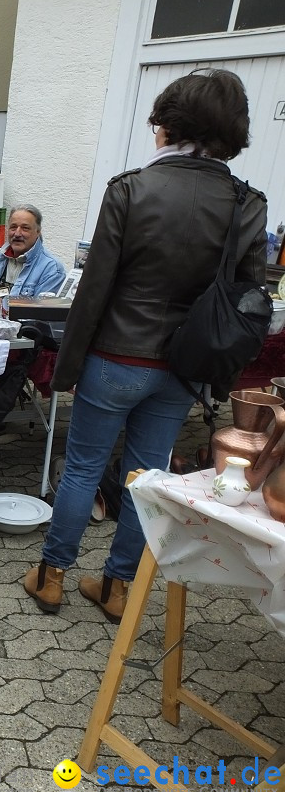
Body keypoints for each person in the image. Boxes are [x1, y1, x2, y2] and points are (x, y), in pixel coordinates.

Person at [23, 69, 267, 623]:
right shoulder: (246, 202)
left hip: (116, 355)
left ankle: (52, 576)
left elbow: (94, 291)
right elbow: (251, 300)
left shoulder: (130, 188)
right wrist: (222, 378)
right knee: (146, 478)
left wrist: (65, 368)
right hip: (184, 366)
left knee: (84, 468)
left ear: (170, 125)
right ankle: (117, 588)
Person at [0, 205, 67, 296]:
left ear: (38, 232)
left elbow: (39, 314)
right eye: (13, 227)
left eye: (25, 228)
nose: (17, 234)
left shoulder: (52, 269)